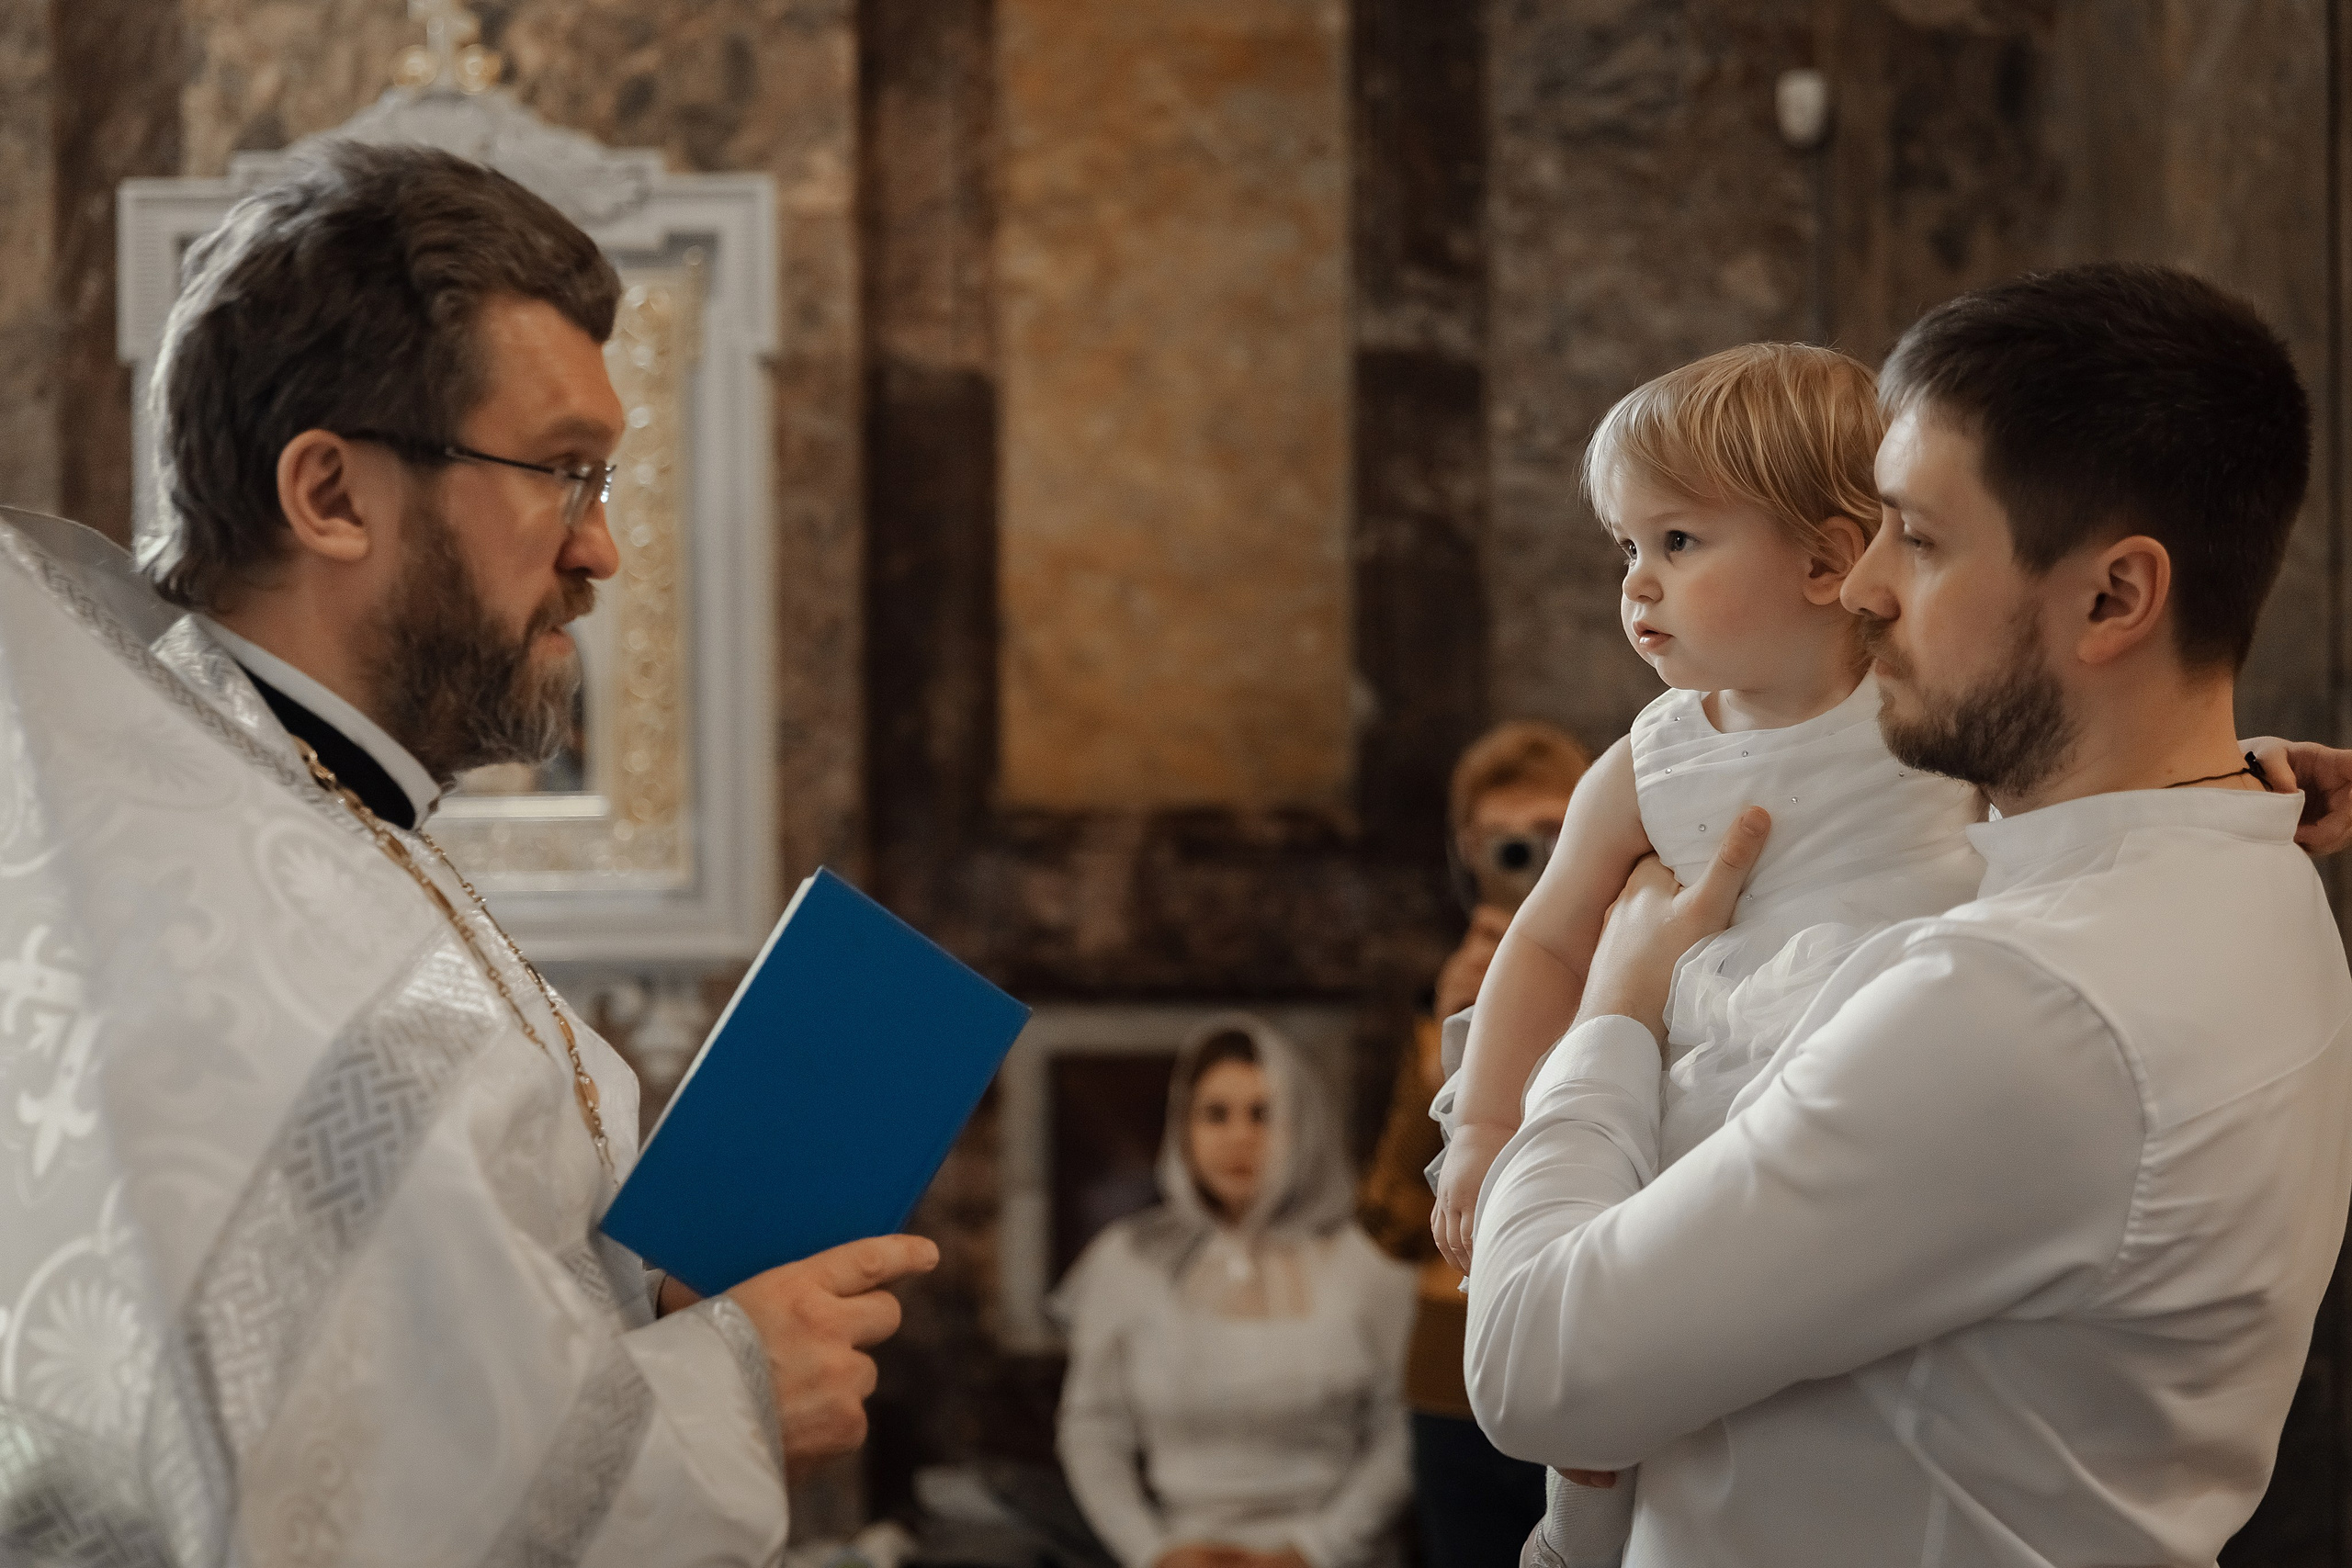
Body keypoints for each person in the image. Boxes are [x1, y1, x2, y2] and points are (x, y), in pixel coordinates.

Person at [0, 141, 933, 1564]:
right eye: (562, 473)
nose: (603, 549)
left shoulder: (294, 821)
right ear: (331, 493)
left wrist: (646, 1314)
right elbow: (313, 1493)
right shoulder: (250, 939)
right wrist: (733, 1387)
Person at [1465, 263, 2352, 1564]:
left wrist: (1618, 1000)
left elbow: (1531, 1367)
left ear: (2114, 596)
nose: (1864, 586)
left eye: (1918, 538)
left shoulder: (2008, 1006)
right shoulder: (2253, 871)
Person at [1057, 1017, 1416, 1568]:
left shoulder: (1368, 1265)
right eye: (1215, 1114)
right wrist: (1153, 1551)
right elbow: (1092, 1427)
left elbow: (1404, 1429)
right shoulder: (1127, 1260)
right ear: (1183, 1128)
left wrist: (1315, 1550)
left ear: (1302, 1126)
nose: (1238, 1137)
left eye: (1263, 1114)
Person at [1357, 723, 1586, 1568]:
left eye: (1557, 835)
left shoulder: (1636, 964)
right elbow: (1388, 1220)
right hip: (1450, 1365)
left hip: (1582, 1340)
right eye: (1510, 844)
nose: (1532, 862)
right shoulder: (1447, 988)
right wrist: (1447, 1043)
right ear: (1469, 851)